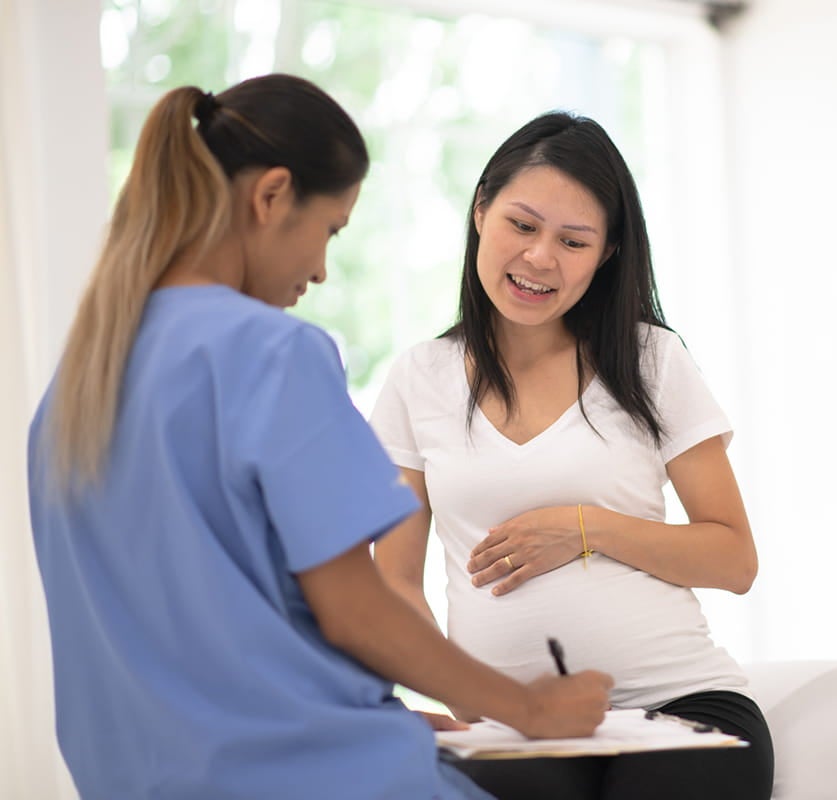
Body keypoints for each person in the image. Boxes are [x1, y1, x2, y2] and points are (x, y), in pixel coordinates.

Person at [26, 75, 612, 800]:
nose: (322, 270)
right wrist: (529, 708)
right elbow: (354, 608)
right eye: (329, 230)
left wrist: (359, 710)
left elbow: (194, 631)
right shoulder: (271, 352)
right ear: (271, 197)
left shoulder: (76, 386)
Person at [369, 111, 775, 800]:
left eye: (573, 241)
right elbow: (396, 581)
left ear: (608, 252)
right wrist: (459, 694)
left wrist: (586, 528)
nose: (539, 259)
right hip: (512, 726)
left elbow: (733, 559)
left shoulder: (652, 359)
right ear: (480, 211)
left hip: (680, 707)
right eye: (522, 226)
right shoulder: (420, 377)